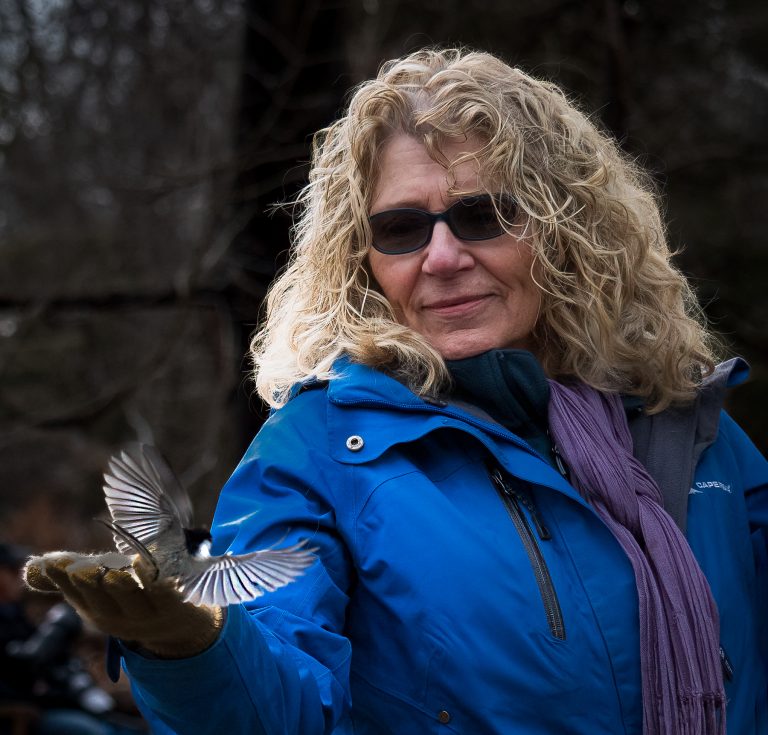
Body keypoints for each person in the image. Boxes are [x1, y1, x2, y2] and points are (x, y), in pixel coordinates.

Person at [23, 48, 768, 735]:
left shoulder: (691, 429)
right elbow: (285, 705)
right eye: (403, 228)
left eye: (485, 214)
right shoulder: (318, 451)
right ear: (363, 258)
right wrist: (192, 646)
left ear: (565, 229)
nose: (443, 257)